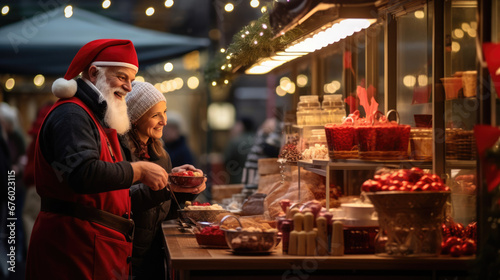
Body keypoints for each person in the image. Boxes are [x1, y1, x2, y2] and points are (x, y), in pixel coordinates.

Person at [25, 39, 170, 280]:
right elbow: (82, 173)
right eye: (122, 77)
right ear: (94, 73)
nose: (129, 88)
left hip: (94, 246)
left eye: (131, 81)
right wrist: (139, 171)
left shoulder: (94, 115)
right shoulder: (72, 114)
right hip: (73, 247)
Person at [125, 81, 206, 279]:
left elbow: (168, 211)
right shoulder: (120, 152)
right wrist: (167, 186)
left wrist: (184, 188)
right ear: (135, 119)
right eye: (155, 115)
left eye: (165, 112)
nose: (165, 121)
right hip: (127, 256)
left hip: (155, 253)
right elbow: (123, 202)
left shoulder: (162, 155)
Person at [223, 117, 255, 184]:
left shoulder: (235, 141)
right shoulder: (258, 139)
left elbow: (227, 160)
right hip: (256, 180)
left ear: (242, 126)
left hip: (238, 179)